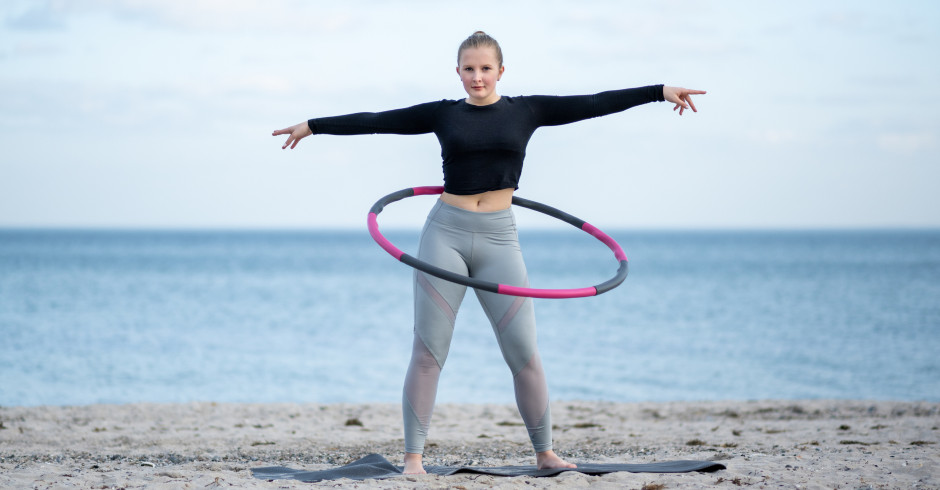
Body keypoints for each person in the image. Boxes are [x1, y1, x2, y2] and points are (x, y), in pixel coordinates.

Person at [273, 31, 705, 474]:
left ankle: (546, 453)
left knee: (524, 351)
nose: (477, 77)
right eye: (468, 69)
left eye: (485, 68)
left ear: (501, 71)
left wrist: (658, 92)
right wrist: (314, 124)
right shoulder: (443, 114)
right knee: (428, 350)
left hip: (500, 237)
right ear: (457, 72)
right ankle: (413, 460)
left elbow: (594, 101)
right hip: (446, 234)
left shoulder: (528, 111)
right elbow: (379, 118)